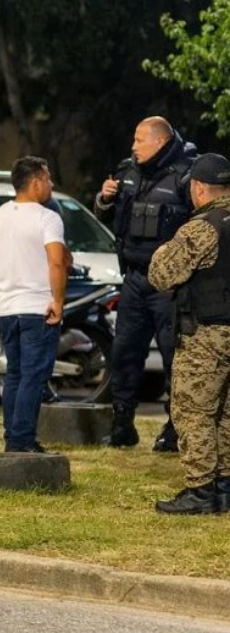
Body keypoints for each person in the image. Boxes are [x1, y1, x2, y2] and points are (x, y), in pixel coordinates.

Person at [94, 116, 196, 451]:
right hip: (135, 279)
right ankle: (122, 424)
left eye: (139, 140)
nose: (133, 146)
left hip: (171, 286)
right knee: (124, 353)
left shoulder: (186, 175)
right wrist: (104, 199)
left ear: (161, 141)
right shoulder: (126, 172)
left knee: (174, 358)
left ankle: (174, 428)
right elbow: (107, 215)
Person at [147, 153, 230, 514]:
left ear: (198, 188)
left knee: (193, 411)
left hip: (208, 336)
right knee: (227, 413)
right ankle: (225, 487)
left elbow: (161, 275)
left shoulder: (202, 227)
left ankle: (200, 491)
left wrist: (165, 247)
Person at [0, 157, 67, 453]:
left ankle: (13, 436)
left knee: (15, 374)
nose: (51, 185)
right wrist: (59, 301)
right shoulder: (47, 218)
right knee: (34, 375)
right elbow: (57, 261)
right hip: (38, 308)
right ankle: (22, 441)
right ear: (36, 181)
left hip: (7, 308)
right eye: (48, 179)